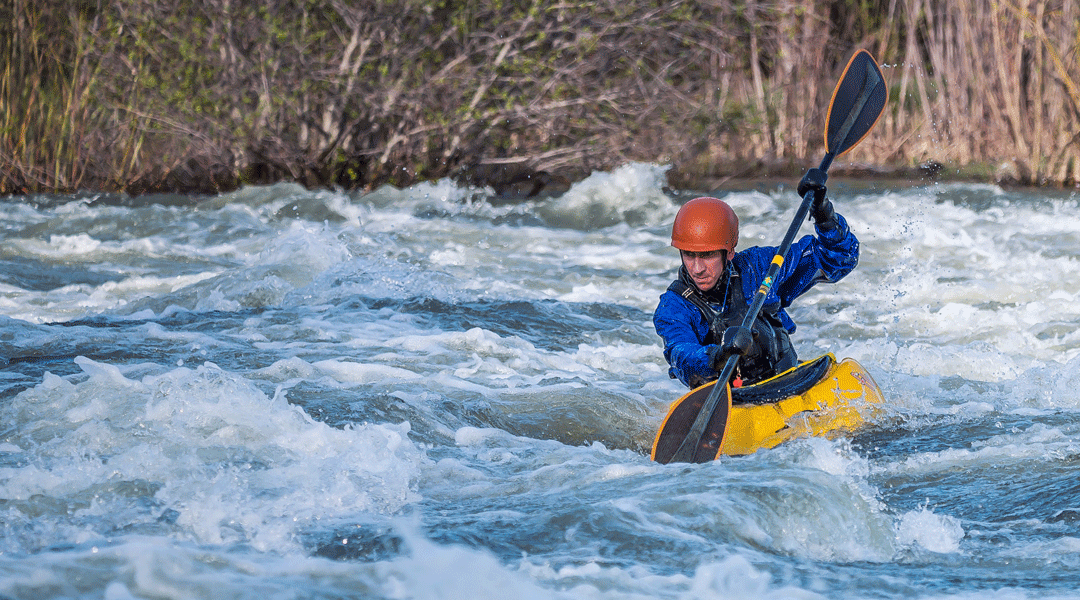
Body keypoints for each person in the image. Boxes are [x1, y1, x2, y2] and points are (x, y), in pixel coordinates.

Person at [652, 169, 859, 389]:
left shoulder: (759, 267)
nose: (697, 268)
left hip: (789, 383)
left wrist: (824, 214)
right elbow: (681, 354)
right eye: (688, 255)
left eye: (707, 255)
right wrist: (718, 355)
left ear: (729, 252)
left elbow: (840, 258)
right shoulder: (673, 306)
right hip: (732, 401)